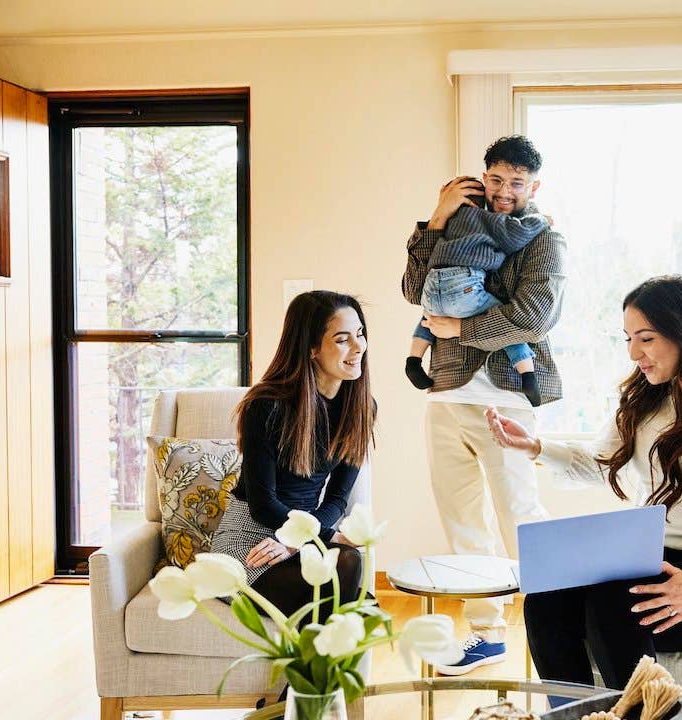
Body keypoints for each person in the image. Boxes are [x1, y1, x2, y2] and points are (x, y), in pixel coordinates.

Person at [485, 275, 682, 692]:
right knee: (547, 600)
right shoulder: (648, 391)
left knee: (614, 607)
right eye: (628, 338)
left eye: (645, 338)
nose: (634, 353)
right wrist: (536, 447)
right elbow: (604, 462)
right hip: (659, 555)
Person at [401, 134, 565, 674]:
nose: (504, 192)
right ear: (484, 176)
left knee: (522, 517)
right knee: (462, 520)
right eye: (496, 180)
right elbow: (412, 290)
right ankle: (488, 634)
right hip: (446, 394)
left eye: (516, 184)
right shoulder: (457, 221)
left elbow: (534, 316)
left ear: (532, 187)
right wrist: (435, 218)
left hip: (509, 400)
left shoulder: (545, 239)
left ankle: (558, 632)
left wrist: (462, 328)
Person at [210, 290, 375, 617]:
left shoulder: (360, 409)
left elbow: (337, 500)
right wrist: (320, 537)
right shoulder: (266, 405)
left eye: (360, 334)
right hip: (250, 539)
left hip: (299, 535)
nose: (358, 347)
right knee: (354, 602)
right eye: (342, 339)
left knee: (352, 575)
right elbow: (263, 503)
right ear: (312, 348)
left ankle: (307, 667)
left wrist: (299, 541)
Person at [405, 197, 550, 406]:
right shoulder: (486, 219)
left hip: (432, 286)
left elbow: (414, 292)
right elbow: (519, 232)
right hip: (463, 286)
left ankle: (413, 360)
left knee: (429, 317)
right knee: (504, 322)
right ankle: (528, 376)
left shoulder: (445, 225)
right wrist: (542, 220)